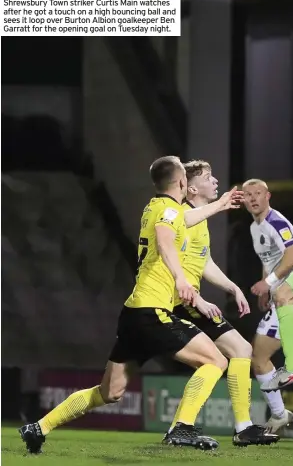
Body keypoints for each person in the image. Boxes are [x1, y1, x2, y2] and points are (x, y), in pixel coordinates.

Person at [19, 156, 243, 454]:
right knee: (216, 361)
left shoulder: (157, 207)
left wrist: (219, 204)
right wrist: (180, 278)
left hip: (134, 314)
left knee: (109, 392)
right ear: (180, 183)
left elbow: (183, 220)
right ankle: (182, 428)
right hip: (153, 313)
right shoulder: (167, 211)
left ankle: (38, 427)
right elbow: (165, 239)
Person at [167, 161, 279, 447]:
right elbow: (171, 264)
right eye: (208, 177)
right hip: (179, 300)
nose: (216, 181)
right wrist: (198, 298)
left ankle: (241, 427)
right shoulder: (182, 216)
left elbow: (203, 261)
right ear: (191, 187)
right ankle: (184, 427)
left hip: (188, 299)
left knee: (240, 350)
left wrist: (233, 288)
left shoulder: (198, 218)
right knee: (219, 359)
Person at [243, 179, 293, 431]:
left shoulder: (276, 222)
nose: (253, 198)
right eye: (248, 195)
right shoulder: (255, 227)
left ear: (268, 196)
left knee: (258, 356)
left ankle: (279, 414)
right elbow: (271, 257)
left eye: (258, 193)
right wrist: (266, 285)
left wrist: (268, 283)